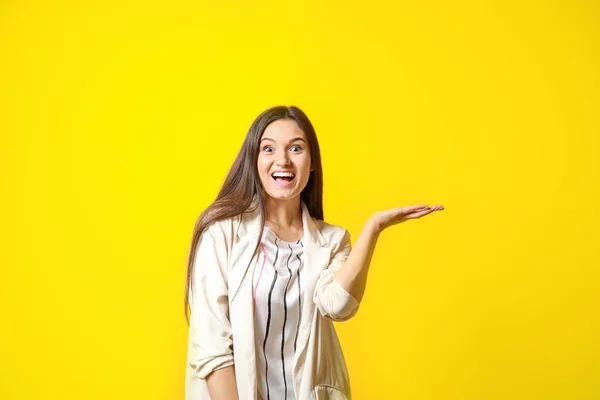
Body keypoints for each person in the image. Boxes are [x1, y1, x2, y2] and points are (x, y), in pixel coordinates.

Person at [184, 105, 444, 400]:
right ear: (253, 160)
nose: (282, 160)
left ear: (312, 163)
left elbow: (338, 306)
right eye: (268, 149)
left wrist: (373, 228)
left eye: (296, 148)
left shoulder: (331, 240)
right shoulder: (221, 234)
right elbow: (212, 345)